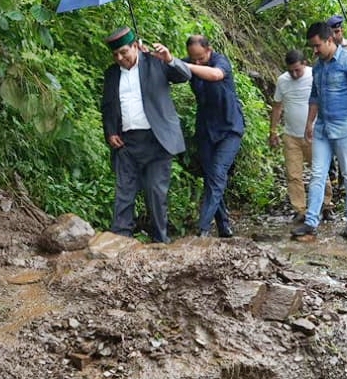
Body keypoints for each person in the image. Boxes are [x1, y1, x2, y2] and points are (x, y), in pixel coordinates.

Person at [97, 27, 193, 244]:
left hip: (157, 140)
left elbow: (184, 75)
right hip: (127, 142)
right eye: (116, 55)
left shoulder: (156, 62)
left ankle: (160, 240)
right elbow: (108, 106)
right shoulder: (111, 74)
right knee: (124, 191)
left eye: (124, 52)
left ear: (135, 46)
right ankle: (120, 240)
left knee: (155, 192)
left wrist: (169, 59)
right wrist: (110, 131)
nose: (120, 58)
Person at [293, 21, 347, 241]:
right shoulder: (318, 66)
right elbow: (315, 96)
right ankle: (310, 222)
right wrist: (309, 123)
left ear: (329, 40)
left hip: (346, 125)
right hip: (323, 127)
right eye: (312, 47)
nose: (315, 51)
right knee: (317, 174)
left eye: (317, 45)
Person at [184, 35, 244, 238]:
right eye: (193, 59)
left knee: (218, 173)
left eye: (200, 58)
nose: (197, 62)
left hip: (230, 129)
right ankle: (223, 225)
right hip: (206, 130)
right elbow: (166, 67)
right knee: (211, 178)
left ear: (209, 50)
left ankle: (202, 229)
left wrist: (190, 67)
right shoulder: (190, 63)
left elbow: (216, 75)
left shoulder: (220, 61)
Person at [269, 49, 318, 223]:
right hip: (291, 135)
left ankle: (326, 205)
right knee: (293, 174)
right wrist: (273, 131)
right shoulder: (283, 80)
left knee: (319, 172)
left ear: (304, 63)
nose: (294, 74)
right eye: (291, 71)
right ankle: (300, 209)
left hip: (314, 133)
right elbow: (277, 106)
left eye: (297, 70)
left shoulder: (315, 75)